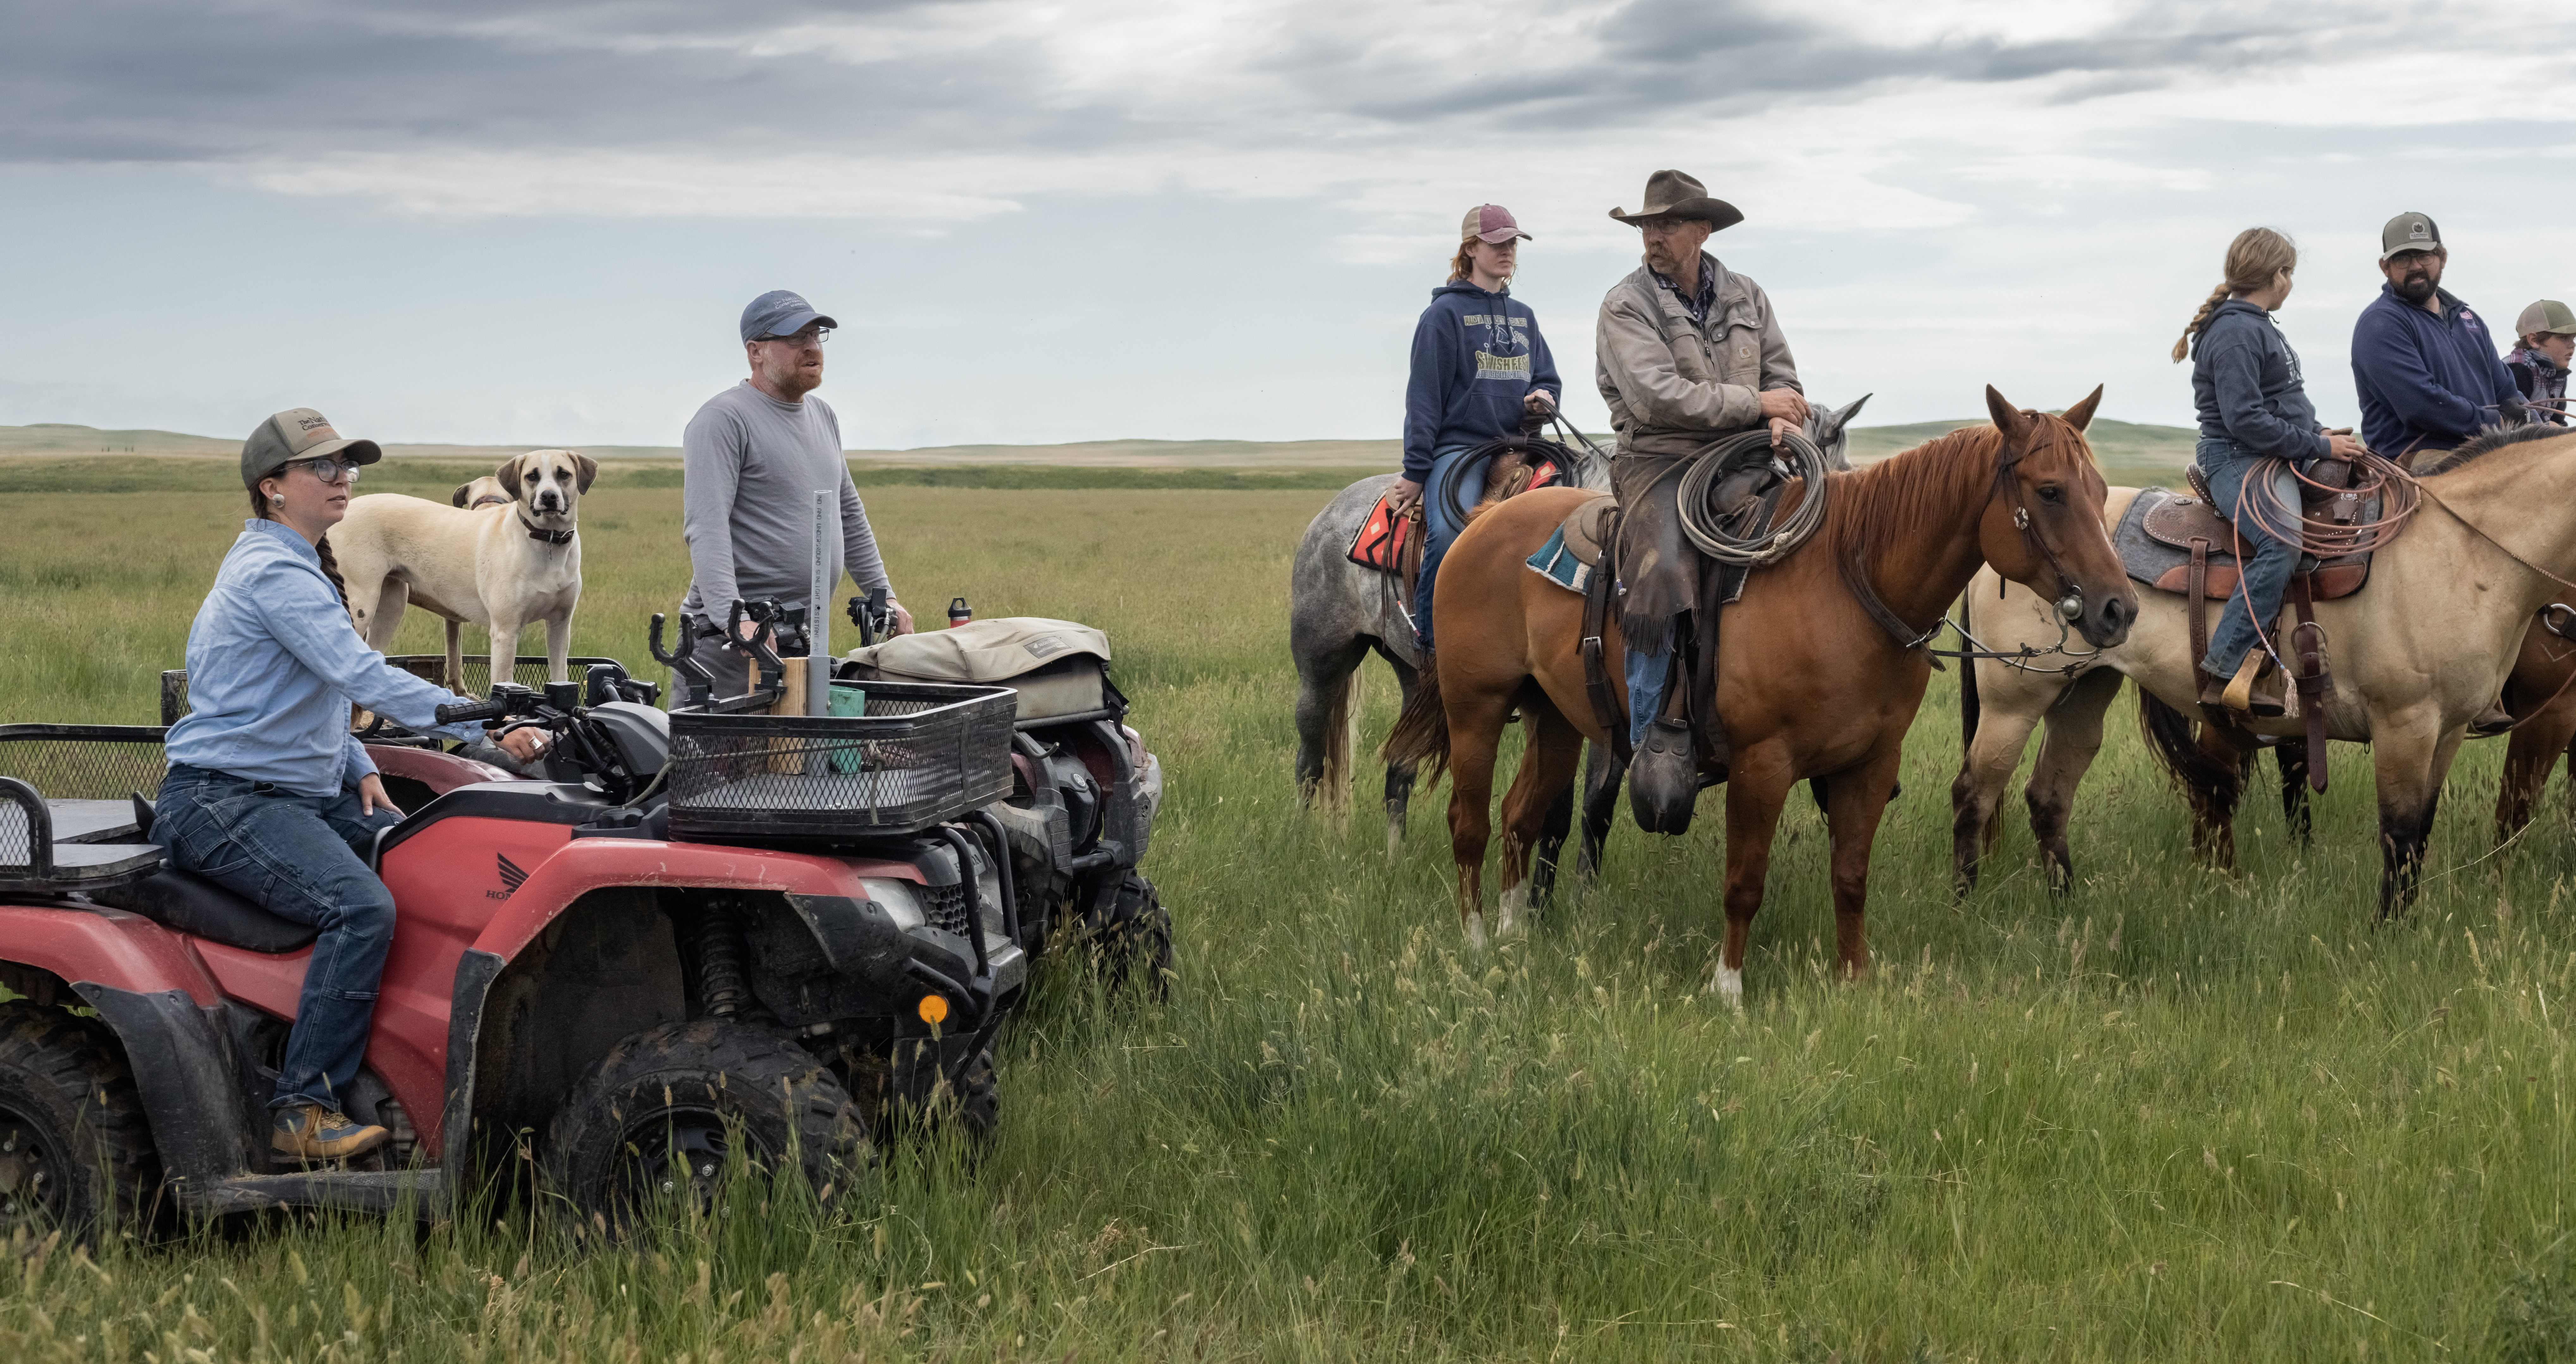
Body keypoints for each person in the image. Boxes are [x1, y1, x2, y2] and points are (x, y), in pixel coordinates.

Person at [155, 409, 548, 1160]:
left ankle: (405, 1059)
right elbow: (358, 671)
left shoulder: (298, 561)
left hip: (285, 788)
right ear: (273, 489)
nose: (343, 480)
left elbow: (299, 695)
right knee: (361, 906)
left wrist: (358, 764)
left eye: (348, 467)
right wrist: (484, 726)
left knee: (424, 863)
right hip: (224, 799)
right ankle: (302, 1108)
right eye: (323, 468)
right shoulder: (273, 572)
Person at [1594, 169, 1808, 810]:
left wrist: (1779, 413)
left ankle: (1817, 714)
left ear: (1702, 231)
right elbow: (1657, 396)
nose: (1652, 236)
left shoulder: (1747, 296)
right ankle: (1652, 741)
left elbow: (1784, 378)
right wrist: (1756, 404)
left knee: (1819, 538)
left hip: (1741, 457)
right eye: (1646, 226)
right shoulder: (1626, 304)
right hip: (1657, 461)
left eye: (1665, 224)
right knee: (1662, 569)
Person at [679, 290, 911, 703]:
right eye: (794, 338)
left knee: (796, 765)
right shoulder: (723, 420)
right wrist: (738, 622)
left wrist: (885, 595)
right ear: (756, 352)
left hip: (800, 640)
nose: (811, 347)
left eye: (816, 335)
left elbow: (848, 513)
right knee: (717, 766)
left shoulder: (824, 416)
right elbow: (707, 527)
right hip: (730, 647)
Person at [2172, 229, 2365, 714]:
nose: (2291, 284)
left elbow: (2276, 404)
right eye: (2290, 274)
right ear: (2277, 276)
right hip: (2239, 458)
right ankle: (2222, 672)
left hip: (2270, 453)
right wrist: (2319, 444)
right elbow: (2245, 419)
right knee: (2281, 544)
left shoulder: (2255, 323)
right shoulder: (2237, 331)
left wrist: (2318, 434)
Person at [1388, 204, 1562, 652]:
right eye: (1497, 243)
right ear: (1470, 249)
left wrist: (1544, 398)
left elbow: (1546, 377)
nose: (1507, 252)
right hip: (1460, 447)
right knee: (1451, 535)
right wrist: (1415, 471)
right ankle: (1432, 644)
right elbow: (1424, 399)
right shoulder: (1442, 317)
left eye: (1512, 243)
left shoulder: (1524, 316)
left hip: (1521, 445)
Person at [2350, 212, 2524, 460]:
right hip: (2417, 456)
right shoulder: (2381, 323)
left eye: (2424, 255)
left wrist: (2536, 425)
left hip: (2488, 448)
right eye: (2402, 258)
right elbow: (2422, 406)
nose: (2416, 266)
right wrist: (2498, 422)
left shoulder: (2469, 320)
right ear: (2385, 267)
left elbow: (2507, 392)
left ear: (2442, 258)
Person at [2504, 299, 2576, 427]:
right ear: (2534, 340)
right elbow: (2511, 425)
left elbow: (2559, 423)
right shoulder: (2519, 370)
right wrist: (2553, 428)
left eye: (2573, 338)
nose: (2573, 345)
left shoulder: (2558, 374)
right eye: (2564, 337)